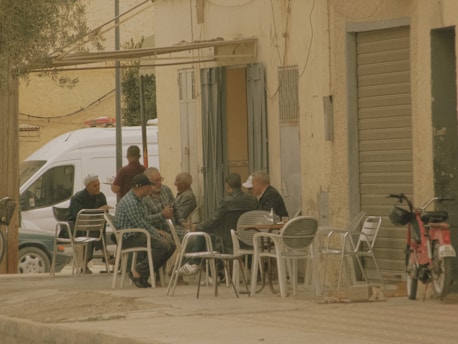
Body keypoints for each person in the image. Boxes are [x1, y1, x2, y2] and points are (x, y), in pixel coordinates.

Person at [179, 172, 257, 275]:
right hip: (249, 240)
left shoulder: (226, 202)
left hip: (227, 242)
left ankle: (196, 263)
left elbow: (213, 221)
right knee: (205, 232)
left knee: (203, 233)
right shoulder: (252, 200)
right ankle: (200, 266)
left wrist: (197, 226)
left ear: (227, 186)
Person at [114, 174, 176, 288]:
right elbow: (140, 224)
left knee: (171, 245)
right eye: (149, 187)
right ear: (143, 188)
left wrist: (158, 230)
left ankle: (144, 273)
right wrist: (157, 233)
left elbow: (145, 219)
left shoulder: (139, 200)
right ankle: (137, 272)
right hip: (129, 237)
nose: (150, 189)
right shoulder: (130, 202)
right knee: (162, 245)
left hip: (138, 233)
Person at [68, 174, 112, 274]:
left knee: (98, 226)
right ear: (87, 186)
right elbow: (79, 216)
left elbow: (104, 214)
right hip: (77, 226)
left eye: (98, 185)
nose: (98, 188)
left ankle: (103, 254)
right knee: (91, 230)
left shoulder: (101, 196)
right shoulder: (77, 198)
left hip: (95, 226)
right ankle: (105, 254)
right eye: (94, 186)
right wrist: (98, 210)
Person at [143, 167, 188, 240]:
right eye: (156, 181)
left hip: (175, 228)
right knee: (189, 240)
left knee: (196, 238)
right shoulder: (144, 198)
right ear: (148, 182)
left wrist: (182, 221)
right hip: (159, 233)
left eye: (160, 179)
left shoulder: (166, 190)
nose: (160, 183)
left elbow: (176, 208)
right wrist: (162, 215)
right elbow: (146, 220)